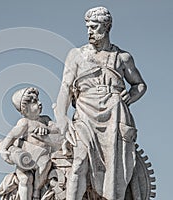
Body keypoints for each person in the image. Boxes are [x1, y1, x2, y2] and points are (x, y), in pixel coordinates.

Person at [54, 7, 147, 200]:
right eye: (87, 27)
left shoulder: (122, 57)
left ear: (107, 27)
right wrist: (62, 117)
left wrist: (130, 95)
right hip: (85, 113)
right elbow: (65, 88)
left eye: (94, 27)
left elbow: (139, 85)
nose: (89, 31)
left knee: (116, 167)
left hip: (115, 115)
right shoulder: (76, 55)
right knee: (79, 161)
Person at [0, 87, 56, 200]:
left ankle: (36, 192)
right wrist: (3, 149)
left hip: (42, 159)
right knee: (25, 179)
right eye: (34, 101)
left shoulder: (45, 120)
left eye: (38, 100)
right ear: (24, 108)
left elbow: (57, 129)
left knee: (45, 164)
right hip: (27, 160)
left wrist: (47, 130)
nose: (39, 103)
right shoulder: (24, 122)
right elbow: (12, 136)